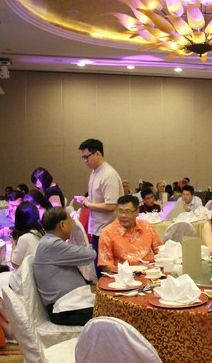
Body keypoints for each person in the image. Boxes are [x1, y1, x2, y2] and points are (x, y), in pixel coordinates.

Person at [33, 207, 96, 326]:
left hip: (71, 303)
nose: (72, 225)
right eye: (70, 222)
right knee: (109, 312)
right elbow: (90, 255)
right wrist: (78, 238)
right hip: (64, 309)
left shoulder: (48, 241)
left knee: (109, 306)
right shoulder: (52, 244)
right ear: (62, 225)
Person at [77, 138, 123, 278]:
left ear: (97, 154)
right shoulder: (94, 172)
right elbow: (96, 200)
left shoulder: (109, 175)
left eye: (87, 157)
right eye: (83, 157)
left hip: (108, 229)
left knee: (107, 272)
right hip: (97, 228)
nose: (85, 161)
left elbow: (111, 205)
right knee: (99, 269)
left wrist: (88, 204)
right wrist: (85, 200)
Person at [98, 195, 162, 272]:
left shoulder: (147, 226)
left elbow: (160, 252)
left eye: (127, 212)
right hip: (122, 275)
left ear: (137, 212)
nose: (123, 215)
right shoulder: (107, 232)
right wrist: (129, 272)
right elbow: (105, 265)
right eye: (120, 211)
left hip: (149, 272)